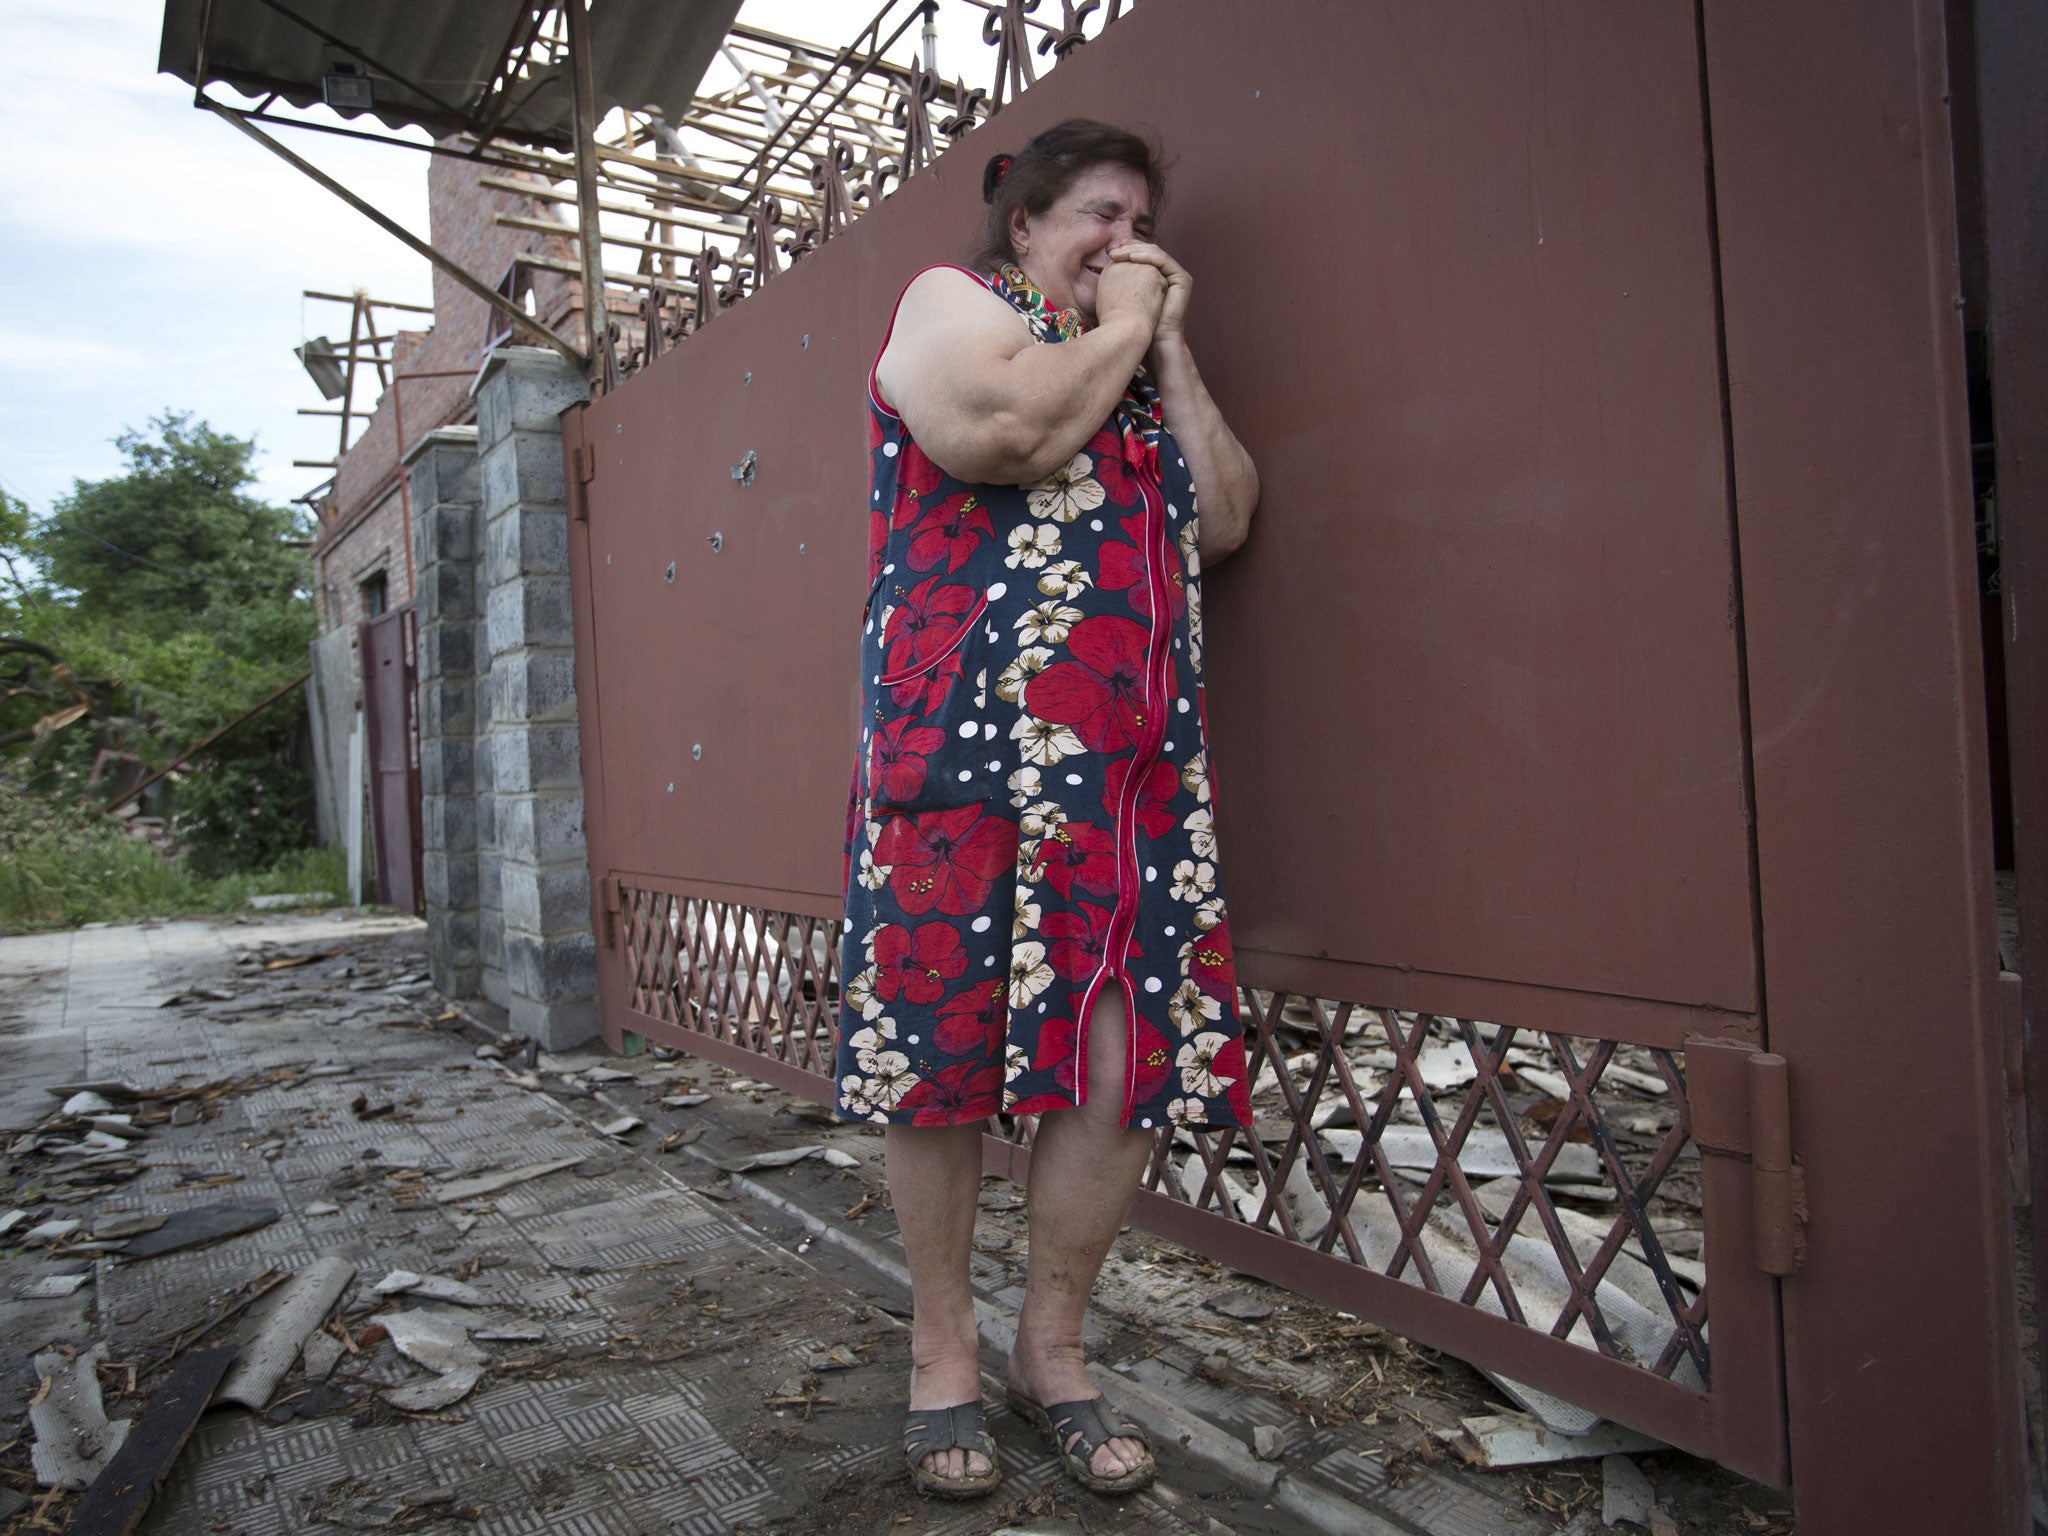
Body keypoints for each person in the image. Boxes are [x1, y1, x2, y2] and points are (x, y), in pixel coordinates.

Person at [835, 118, 1260, 1500]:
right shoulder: (956, 309)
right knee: (943, 1042)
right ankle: (941, 1349)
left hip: (1128, 771)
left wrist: (1168, 344)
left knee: (1122, 1061)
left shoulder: (1131, 368)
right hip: (960, 746)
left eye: (1141, 218)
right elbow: (1005, 432)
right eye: (1095, 213)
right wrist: (1122, 327)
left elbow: (1230, 520)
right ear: (1021, 224)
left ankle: (1054, 1347)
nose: (1123, 241)